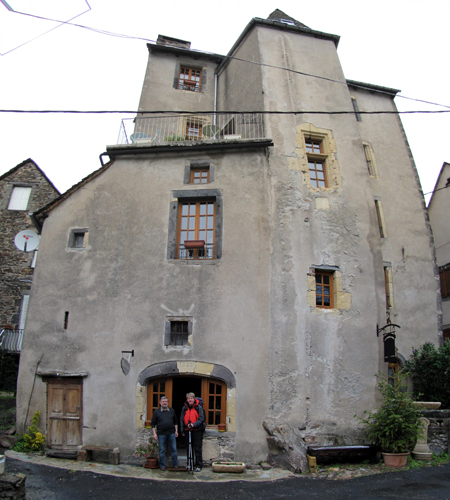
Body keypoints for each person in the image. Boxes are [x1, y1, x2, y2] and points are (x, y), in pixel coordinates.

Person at [150, 396, 178, 471]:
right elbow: (153, 424)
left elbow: (175, 422)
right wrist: (154, 434)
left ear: (168, 403)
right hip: (161, 434)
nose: (164, 403)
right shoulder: (156, 412)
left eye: (166, 401)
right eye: (163, 401)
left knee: (174, 449)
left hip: (171, 433)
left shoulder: (172, 411)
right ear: (160, 403)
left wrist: (176, 431)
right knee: (162, 450)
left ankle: (175, 464)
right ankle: (162, 465)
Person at [180, 392, 205, 472]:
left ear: (194, 399)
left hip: (197, 430)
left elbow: (201, 419)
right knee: (189, 448)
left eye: (191, 398)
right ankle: (189, 464)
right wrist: (182, 430)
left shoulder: (198, 407)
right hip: (188, 430)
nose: (190, 400)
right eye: (188, 399)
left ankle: (198, 465)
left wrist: (193, 425)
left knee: (197, 448)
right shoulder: (185, 408)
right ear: (187, 400)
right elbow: (182, 419)